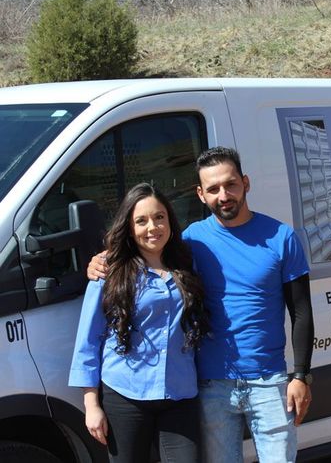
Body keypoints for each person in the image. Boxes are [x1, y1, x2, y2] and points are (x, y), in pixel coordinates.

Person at [88, 147, 315, 463]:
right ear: (200, 194)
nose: (224, 195)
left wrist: (301, 375)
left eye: (231, 184)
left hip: (269, 382)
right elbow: (146, 253)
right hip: (211, 384)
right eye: (213, 189)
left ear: (245, 183)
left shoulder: (281, 237)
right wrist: (102, 262)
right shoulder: (191, 241)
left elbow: (301, 310)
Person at [71, 182, 209, 463]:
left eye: (159, 217)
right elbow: (89, 338)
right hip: (125, 394)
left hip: (179, 394)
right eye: (141, 221)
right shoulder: (109, 270)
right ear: (129, 227)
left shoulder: (187, 264)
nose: (152, 227)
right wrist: (91, 404)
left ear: (170, 221)